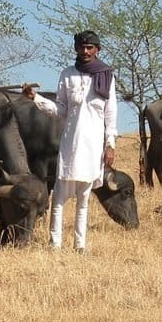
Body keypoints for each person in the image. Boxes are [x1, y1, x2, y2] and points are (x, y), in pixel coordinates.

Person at [24, 30, 117, 252]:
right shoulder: (67, 74)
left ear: (97, 50)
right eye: (82, 47)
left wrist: (110, 144)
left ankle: (80, 246)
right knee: (59, 198)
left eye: (90, 48)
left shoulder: (106, 75)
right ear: (76, 49)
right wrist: (35, 98)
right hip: (70, 144)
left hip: (93, 145)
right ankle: (54, 244)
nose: (85, 51)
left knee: (84, 199)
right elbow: (61, 110)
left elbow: (110, 113)